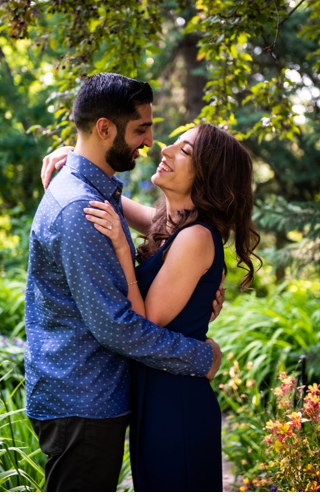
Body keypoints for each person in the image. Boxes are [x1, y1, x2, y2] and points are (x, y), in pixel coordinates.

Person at [24, 72, 225, 492]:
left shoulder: (96, 195)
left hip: (98, 398)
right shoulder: (81, 208)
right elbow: (118, 325)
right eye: (141, 129)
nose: (151, 142)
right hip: (84, 401)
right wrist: (201, 357)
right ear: (104, 128)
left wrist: (72, 155)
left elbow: (162, 233)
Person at [80, 122, 260, 491]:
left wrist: (120, 247)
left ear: (208, 175)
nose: (166, 150)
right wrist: (75, 160)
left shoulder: (194, 237)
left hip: (176, 406)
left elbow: (144, 320)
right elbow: (117, 203)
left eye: (185, 151)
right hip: (157, 392)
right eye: (174, 144)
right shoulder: (172, 226)